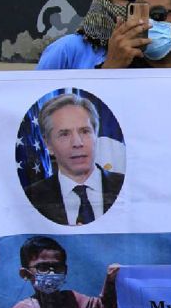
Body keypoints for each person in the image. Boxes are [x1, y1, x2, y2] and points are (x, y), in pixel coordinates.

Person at [24, 94, 125, 225]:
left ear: (96, 135)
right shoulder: (32, 197)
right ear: (48, 144)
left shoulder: (126, 187)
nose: (77, 143)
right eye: (64, 134)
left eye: (84, 131)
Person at [37, 0, 141, 70]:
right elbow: (40, 85)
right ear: (104, 0)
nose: (134, 5)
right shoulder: (67, 48)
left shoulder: (150, 50)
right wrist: (111, 66)